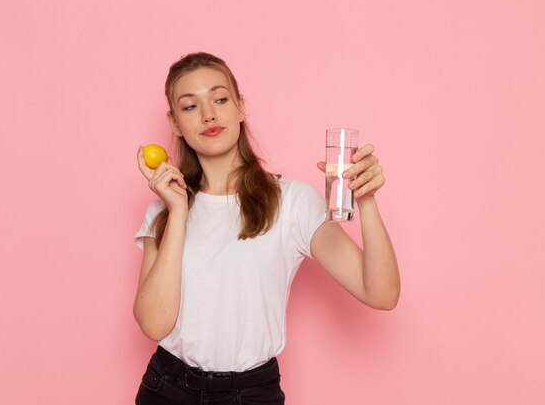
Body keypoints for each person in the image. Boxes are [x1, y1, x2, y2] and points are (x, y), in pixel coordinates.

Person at [134, 52, 400, 405]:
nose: (208, 114)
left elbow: (381, 294)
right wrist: (179, 211)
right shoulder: (164, 210)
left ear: (241, 107)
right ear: (174, 123)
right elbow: (154, 325)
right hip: (168, 390)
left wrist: (366, 201)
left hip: (252, 394)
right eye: (189, 106)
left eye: (220, 98)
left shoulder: (292, 202)